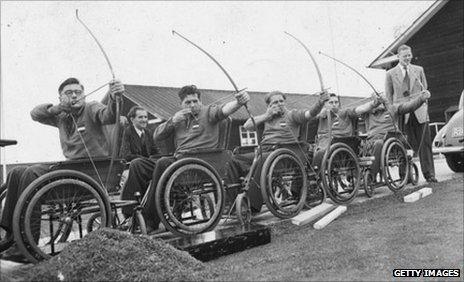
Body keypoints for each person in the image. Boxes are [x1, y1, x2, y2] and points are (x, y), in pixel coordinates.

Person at [0, 77, 124, 260]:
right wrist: (57, 108)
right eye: (69, 93)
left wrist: (115, 98)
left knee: (31, 174)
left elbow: (109, 115)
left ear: (84, 94)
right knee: (16, 173)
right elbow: (35, 114)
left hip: (89, 171)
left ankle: (27, 245)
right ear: (60, 97)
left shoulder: (91, 107)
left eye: (78, 92)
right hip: (71, 170)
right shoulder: (61, 115)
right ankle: (11, 235)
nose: (74, 95)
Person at [138, 85, 250, 232]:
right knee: (138, 164)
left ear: (200, 101)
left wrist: (238, 102)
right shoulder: (178, 117)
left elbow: (224, 110)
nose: (192, 105)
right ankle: (131, 213)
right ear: (181, 104)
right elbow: (157, 136)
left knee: (163, 163)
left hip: (199, 162)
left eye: (195, 101)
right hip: (179, 161)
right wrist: (172, 121)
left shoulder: (209, 112)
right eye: (188, 102)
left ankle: (150, 220)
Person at [226, 90, 328, 213]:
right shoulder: (267, 117)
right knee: (234, 160)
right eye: (275, 102)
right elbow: (247, 125)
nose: (279, 104)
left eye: (281, 101)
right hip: (265, 151)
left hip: (284, 153)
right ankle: (232, 204)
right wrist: (267, 116)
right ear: (269, 106)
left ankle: (252, 205)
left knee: (263, 159)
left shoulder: (292, 115)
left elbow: (309, 114)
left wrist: (320, 103)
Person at [385, 44, 437, 183]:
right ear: (398, 57)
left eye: (409, 55)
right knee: (403, 144)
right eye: (404, 56)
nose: (408, 58)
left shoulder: (419, 70)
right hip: (402, 113)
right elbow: (389, 97)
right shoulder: (390, 74)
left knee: (425, 143)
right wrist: (393, 113)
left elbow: (424, 88)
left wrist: (425, 96)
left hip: (420, 112)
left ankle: (429, 174)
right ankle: (405, 176)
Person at [363, 90, 431, 180]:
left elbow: (409, 106)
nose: (378, 101)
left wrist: (421, 98)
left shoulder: (392, 108)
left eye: (380, 98)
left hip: (386, 142)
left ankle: (371, 176)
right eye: (376, 99)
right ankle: (357, 178)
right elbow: (356, 111)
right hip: (369, 142)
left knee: (378, 144)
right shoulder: (368, 113)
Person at [119, 106, 159, 217]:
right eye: (140, 117)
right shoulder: (127, 132)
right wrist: (143, 159)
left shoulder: (148, 132)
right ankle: (130, 211)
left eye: (145, 117)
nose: (144, 120)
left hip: (144, 166)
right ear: (132, 119)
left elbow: (155, 150)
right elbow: (125, 154)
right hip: (130, 166)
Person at [312, 93, 361, 169]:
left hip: (341, 145)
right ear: (325, 105)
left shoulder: (344, 112)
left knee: (320, 153)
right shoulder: (322, 115)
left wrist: (374, 103)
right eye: (331, 103)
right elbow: (311, 116)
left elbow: (360, 109)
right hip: (325, 143)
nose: (334, 105)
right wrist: (321, 112)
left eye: (336, 102)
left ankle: (315, 177)